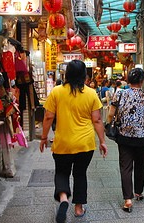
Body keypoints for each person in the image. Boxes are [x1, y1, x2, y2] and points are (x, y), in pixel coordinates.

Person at [39, 60, 108, 223]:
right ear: (84, 75)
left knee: (62, 172)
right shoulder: (91, 93)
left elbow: (48, 116)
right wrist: (102, 141)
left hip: (63, 142)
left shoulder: (56, 92)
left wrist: (43, 138)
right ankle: (78, 209)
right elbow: (97, 120)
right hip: (85, 143)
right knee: (80, 174)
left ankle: (63, 198)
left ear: (67, 74)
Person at [107, 68, 144, 213]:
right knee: (140, 164)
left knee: (125, 167)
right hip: (142, 137)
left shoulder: (119, 94)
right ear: (142, 81)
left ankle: (127, 200)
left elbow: (111, 113)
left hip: (124, 136)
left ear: (129, 80)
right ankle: (138, 192)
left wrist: (109, 124)